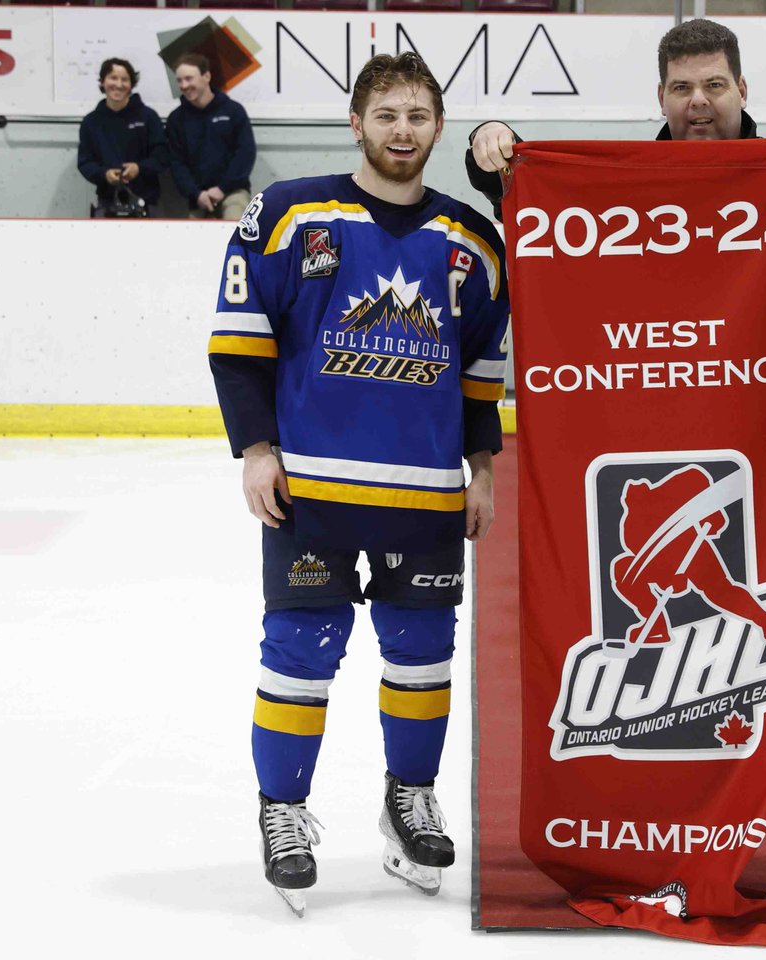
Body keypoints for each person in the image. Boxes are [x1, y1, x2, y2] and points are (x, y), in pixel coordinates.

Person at [466, 18, 766, 908]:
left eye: (713, 85)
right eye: (681, 88)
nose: (698, 103)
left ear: (743, 89)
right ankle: (658, 832)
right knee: (649, 644)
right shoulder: (628, 187)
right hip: (638, 458)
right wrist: (490, 158)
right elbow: (519, 193)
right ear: (661, 97)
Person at [208, 51, 509, 917]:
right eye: (387, 115)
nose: (403, 131)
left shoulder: (472, 240)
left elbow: (482, 369)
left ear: (438, 127)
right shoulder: (290, 213)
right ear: (356, 122)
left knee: (423, 655)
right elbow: (239, 339)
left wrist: (481, 467)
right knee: (301, 655)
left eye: (418, 116)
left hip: (423, 491)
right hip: (312, 489)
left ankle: (407, 796)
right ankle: (284, 811)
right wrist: (256, 449)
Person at [167, 53, 256, 220]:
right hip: (197, 198)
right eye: (179, 80)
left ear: (206, 76)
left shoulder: (233, 111)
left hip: (232, 192)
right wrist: (197, 194)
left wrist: (222, 188)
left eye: (189, 78)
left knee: (234, 228)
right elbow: (176, 163)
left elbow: (245, 154)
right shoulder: (176, 119)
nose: (184, 85)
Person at [77, 58, 168, 217]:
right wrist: (104, 174)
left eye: (124, 79)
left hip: (146, 203)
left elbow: (162, 156)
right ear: (102, 82)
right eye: (113, 78)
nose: (118, 84)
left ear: (131, 85)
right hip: (107, 203)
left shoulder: (148, 117)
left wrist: (139, 169)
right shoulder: (91, 122)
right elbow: (85, 162)